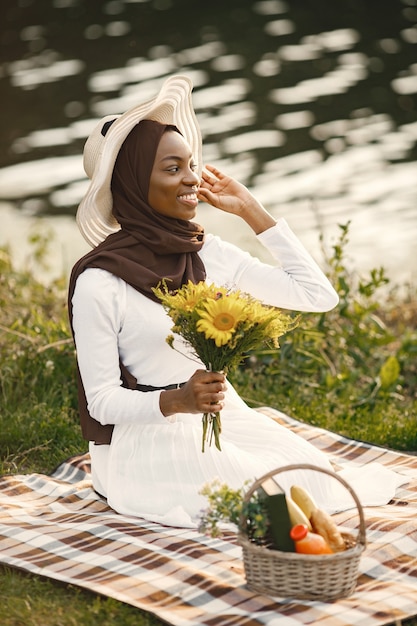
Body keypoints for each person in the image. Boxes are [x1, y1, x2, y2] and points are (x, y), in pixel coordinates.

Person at [68, 75, 403, 527]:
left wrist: (249, 209)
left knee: (312, 480)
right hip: (145, 439)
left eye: (190, 164)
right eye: (172, 169)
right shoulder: (99, 281)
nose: (191, 178)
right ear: (131, 185)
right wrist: (178, 401)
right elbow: (102, 401)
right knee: (258, 503)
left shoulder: (206, 252)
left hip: (222, 419)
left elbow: (317, 296)